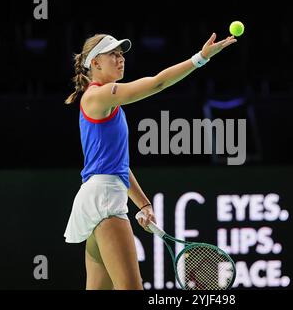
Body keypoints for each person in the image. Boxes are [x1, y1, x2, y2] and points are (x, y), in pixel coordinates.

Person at [63, 32, 237, 290]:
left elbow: (117, 166)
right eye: (113, 54)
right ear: (95, 63)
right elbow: (157, 83)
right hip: (105, 200)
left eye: (121, 54)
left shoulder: (104, 102)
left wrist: (143, 204)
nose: (120, 58)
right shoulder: (98, 96)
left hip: (97, 196)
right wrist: (199, 58)